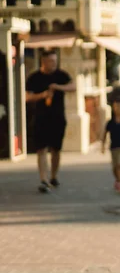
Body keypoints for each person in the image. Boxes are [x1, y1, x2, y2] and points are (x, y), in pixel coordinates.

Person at [25, 50, 76, 193]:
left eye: (55, 61)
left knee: (56, 149)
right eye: (50, 61)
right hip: (40, 118)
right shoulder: (34, 78)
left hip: (58, 118)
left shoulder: (61, 75)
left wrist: (57, 87)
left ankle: (54, 176)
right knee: (41, 149)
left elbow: (73, 87)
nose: (53, 64)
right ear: (43, 62)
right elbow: (27, 97)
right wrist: (43, 95)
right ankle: (43, 179)